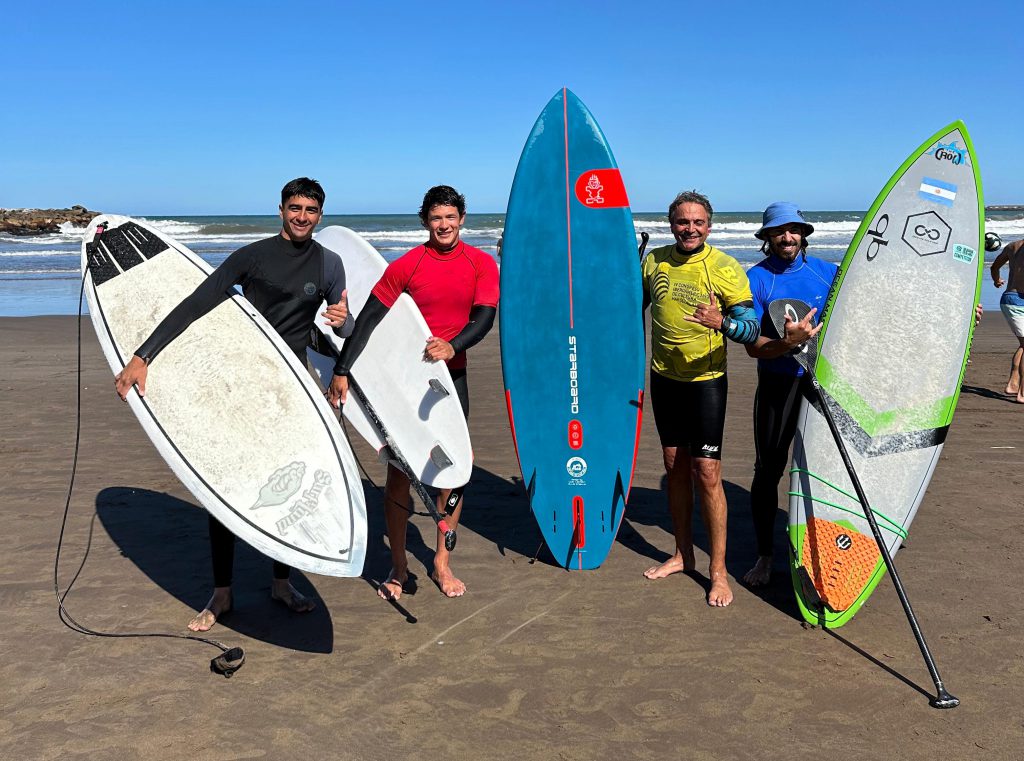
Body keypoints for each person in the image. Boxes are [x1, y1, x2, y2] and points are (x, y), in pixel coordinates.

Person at [114, 178, 353, 631]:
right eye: (295, 207)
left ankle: (281, 583)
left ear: (321, 214)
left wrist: (343, 333)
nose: (302, 216)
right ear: (280, 209)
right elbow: (198, 302)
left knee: (289, 483)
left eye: (311, 210)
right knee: (227, 482)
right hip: (243, 384)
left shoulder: (329, 264)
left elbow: (346, 328)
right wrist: (143, 355)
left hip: (292, 391)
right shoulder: (253, 256)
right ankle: (223, 592)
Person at [328, 185, 499, 600]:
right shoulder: (407, 265)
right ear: (425, 222)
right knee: (399, 474)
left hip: (451, 379)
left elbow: (484, 319)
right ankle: (400, 566)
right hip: (406, 382)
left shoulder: (480, 264)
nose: (444, 225)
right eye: (436, 218)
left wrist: (453, 345)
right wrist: (343, 368)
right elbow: (369, 319)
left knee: (454, 470)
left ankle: (442, 561)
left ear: (462, 219)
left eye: (451, 217)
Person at [640, 190, 760, 607]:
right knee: (674, 465)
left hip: (706, 381)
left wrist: (721, 321)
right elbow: (629, 310)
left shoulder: (724, 267)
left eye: (698, 222)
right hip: (664, 379)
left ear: (709, 226)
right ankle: (682, 554)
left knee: (707, 472)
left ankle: (718, 571)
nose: (689, 229)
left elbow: (750, 328)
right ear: (671, 223)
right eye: (681, 222)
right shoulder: (653, 260)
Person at [741, 203, 837, 586]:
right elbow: (752, 345)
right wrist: (786, 343)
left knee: (824, 469)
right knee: (768, 472)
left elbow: (876, 307)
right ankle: (765, 556)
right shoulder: (757, 279)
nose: (787, 237)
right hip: (778, 384)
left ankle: (827, 549)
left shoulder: (829, 272)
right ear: (767, 237)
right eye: (778, 231)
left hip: (822, 384)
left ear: (804, 233)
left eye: (793, 230)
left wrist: (963, 309)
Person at [991, 238, 1024, 403]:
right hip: (1017, 301)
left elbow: (995, 266)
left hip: (1009, 299)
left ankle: (1013, 383)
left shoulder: (1012, 246)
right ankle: (1022, 394)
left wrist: (996, 280)